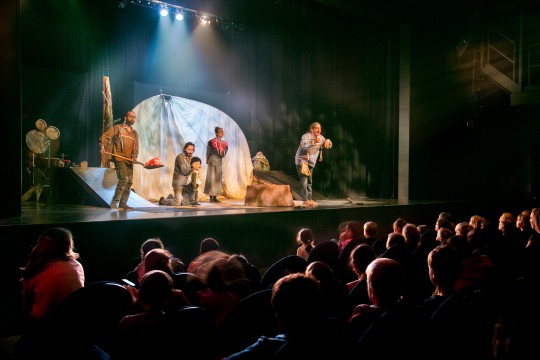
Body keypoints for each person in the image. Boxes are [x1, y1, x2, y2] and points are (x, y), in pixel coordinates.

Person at [100, 110, 139, 210]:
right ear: (125, 118)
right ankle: (114, 202)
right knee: (124, 179)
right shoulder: (118, 128)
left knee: (129, 182)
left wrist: (134, 156)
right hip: (119, 158)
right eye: (131, 117)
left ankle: (123, 203)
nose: (133, 119)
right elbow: (105, 136)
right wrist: (102, 146)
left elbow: (136, 147)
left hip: (129, 160)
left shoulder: (134, 133)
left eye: (134, 117)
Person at [294, 122, 332, 207]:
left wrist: (328, 142)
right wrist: (313, 141)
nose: (319, 130)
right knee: (304, 181)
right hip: (302, 161)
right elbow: (303, 146)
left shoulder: (321, 138)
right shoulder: (306, 136)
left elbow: (328, 145)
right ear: (312, 129)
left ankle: (309, 199)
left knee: (309, 181)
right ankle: (305, 200)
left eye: (320, 128)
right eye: (316, 128)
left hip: (311, 162)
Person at [204, 126, 228, 203]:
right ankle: (211, 197)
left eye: (222, 131)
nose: (222, 133)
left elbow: (224, 153)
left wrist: (222, 152)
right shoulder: (211, 142)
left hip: (219, 161)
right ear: (217, 133)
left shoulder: (224, 143)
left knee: (218, 179)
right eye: (220, 131)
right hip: (212, 160)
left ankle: (215, 196)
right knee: (212, 178)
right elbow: (208, 152)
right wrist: (207, 160)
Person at [172, 142, 196, 206]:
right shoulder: (180, 157)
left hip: (186, 184)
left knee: (186, 204)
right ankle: (163, 201)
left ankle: (173, 198)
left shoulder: (192, 158)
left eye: (192, 150)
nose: (190, 151)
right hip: (179, 183)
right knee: (177, 203)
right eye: (189, 149)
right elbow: (184, 171)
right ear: (185, 149)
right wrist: (193, 167)